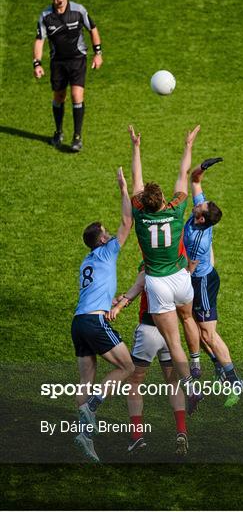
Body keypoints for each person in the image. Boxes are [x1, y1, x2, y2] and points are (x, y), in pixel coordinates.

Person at [128, 124, 203, 415]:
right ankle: (197, 361)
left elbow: (136, 180)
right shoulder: (175, 210)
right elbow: (183, 176)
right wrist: (188, 145)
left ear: (144, 204)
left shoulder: (139, 214)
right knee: (187, 320)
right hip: (182, 279)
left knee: (172, 343)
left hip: (158, 283)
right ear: (162, 201)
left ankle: (191, 386)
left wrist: (136, 146)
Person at [71, 167, 134, 463]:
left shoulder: (86, 260)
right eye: (106, 235)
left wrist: (114, 299)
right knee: (127, 366)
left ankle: (84, 437)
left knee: (85, 380)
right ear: (100, 241)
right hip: (95, 321)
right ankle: (94, 405)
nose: (111, 236)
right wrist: (123, 188)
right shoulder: (106, 252)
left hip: (78, 322)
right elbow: (127, 221)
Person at [107, 265, 189, 457]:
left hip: (148, 331)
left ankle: (137, 437)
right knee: (172, 382)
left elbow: (137, 288)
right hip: (170, 333)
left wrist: (119, 304)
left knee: (134, 382)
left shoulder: (149, 267)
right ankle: (181, 430)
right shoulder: (177, 270)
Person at [183, 158, 243, 407]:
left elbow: (189, 270)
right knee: (195, 328)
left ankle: (233, 379)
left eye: (202, 206)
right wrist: (203, 168)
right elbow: (195, 180)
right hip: (199, 277)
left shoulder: (199, 241)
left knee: (207, 333)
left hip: (201, 282)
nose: (199, 203)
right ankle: (219, 367)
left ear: (200, 218)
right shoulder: (201, 214)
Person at [33, 0, 103, 152]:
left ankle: (77, 137)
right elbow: (40, 40)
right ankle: (58, 132)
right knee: (59, 97)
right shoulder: (45, 16)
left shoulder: (79, 10)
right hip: (58, 62)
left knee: (76, 95)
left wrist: (98, 53)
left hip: (78, 59)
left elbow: (92, 29)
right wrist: (37, 63)